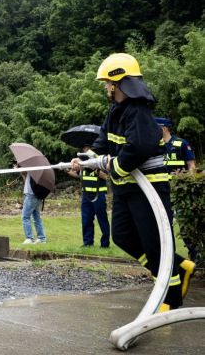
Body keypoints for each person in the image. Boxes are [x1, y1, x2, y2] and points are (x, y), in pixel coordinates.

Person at [72, 53, 195, 312]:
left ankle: (170, 301)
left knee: (155, 244)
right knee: (123, 236)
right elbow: (103, 142)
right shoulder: (115, 111)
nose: (106, 87)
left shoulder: (138, 111)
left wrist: (114, 166)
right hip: (126, 187)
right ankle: (178, 266)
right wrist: (84, 159)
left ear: (118, 83)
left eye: (107, 83)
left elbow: (140, 146)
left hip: (148, 187)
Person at [155, 116, 199, 261]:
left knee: (184, 226)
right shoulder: (155, 146)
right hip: (162, 191)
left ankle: (194, 255)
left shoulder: (181, 143)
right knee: (164, 225)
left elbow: (191, 165)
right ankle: (169, 258)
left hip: (179, 191)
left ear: (164, 128)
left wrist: (189, 184)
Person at [66, 145, 111, 248]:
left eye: (87, 149)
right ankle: (87, 243)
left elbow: (106, 176)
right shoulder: (82, 162)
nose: (85, 151)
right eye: (84, 149)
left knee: (102, 219)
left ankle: (105, 244)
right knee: (86, 219)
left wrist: (94, 168)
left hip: (98, 194)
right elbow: (77, 174)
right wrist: (67, 170)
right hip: (86, 195)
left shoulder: (100, 160)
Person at [20, 170, 47, 244]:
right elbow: (27, 182)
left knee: (25, 217)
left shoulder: (33, 169)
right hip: (36, 196)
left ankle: (29, 238)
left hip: (31, 195)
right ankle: (41, 238)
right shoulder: (35, 169)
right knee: (36, 218)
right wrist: (23, 173)